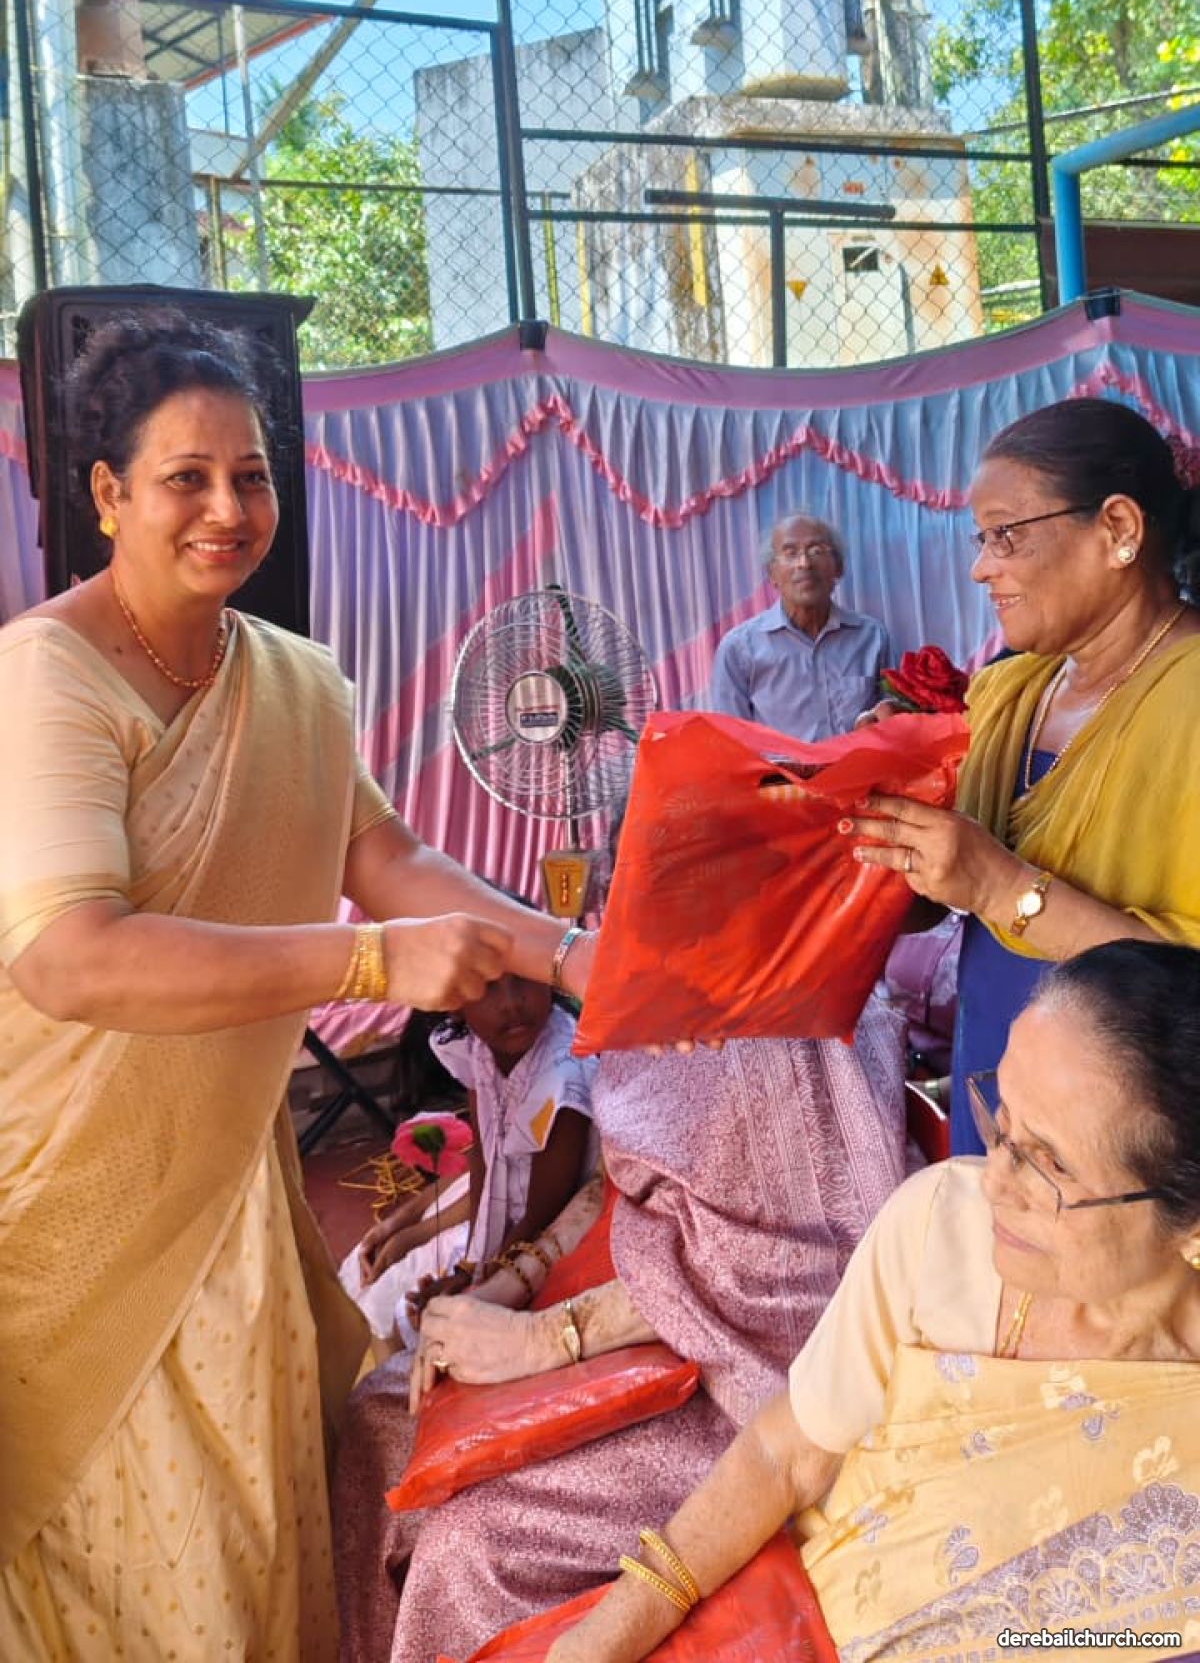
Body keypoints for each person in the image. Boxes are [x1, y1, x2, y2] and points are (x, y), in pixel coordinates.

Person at [0, 311, 598, 1663]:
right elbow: (68, 953)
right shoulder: (48, 676)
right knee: (113, 1564)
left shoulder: (292, 680)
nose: (229, 509)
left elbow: (384, 856)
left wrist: (566, 954)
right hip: (70, 1196)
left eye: (252, 476)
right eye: (187, 478)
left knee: (251, 1546)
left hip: (228, 1189)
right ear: (107, 494)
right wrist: (370, 961)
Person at [541, 939, 1200, 1663]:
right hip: (796, 1627)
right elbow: (785, 1455)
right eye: (1002, 1121)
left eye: (1050, 1167)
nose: (994, 1181)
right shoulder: (943, 1227)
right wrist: (608, 1635)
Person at [332, 998, 906, 1663]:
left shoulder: (787, 1020)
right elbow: (614, 1189)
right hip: (632, 1306)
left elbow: (772, 1282)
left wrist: (546, 1338)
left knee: (465, 1550)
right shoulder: (650, 996)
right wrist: (512, 1277)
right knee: (380, 1414)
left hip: (737, 1385)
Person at [846, 396, 1200, 1153]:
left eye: (1006, 534)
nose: (981, 568)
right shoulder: (1008, 690)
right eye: (981, 539)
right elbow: (937, 902)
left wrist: (1002, 886)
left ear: (1119, 529)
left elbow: (1186, 984)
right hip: (997, 1100)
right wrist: (889, 807)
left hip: (1136, 1155)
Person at [342, 975, 596, 1359]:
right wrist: (467, 1266)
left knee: (400, 1320)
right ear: (455, 1004)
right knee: (365, 1283)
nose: (512, 1002)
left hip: (542, 1244)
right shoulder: (480, 1050)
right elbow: (485, 1161)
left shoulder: (562, 1078)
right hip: (501, 1233)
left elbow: (541, 1217)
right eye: (488, 987)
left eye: (526, 980)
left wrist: (476, 1282)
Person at [709, 512, 890, 736]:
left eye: (816, 551)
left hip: (859, 759)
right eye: (790, 553)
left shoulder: (872, 637)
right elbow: (731, 741)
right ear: (772, 573)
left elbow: (892, 726)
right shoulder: (739, 649)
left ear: (838, 567)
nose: (804, 563)